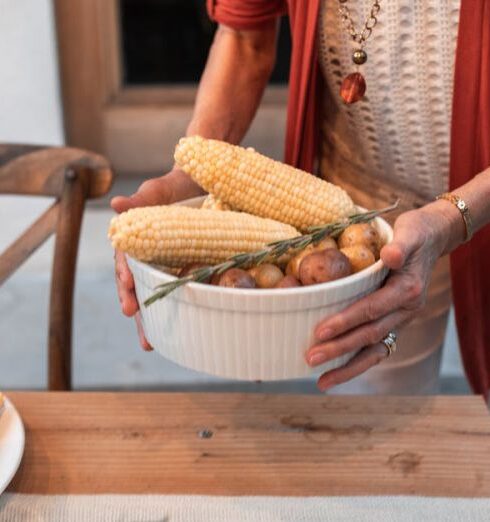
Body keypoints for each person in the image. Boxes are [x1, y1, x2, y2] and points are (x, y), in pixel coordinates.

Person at [112, 0, 490, 396]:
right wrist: (193, 172)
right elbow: (244, 41)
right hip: (366, 219)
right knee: (374, 421)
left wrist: (454, 216)